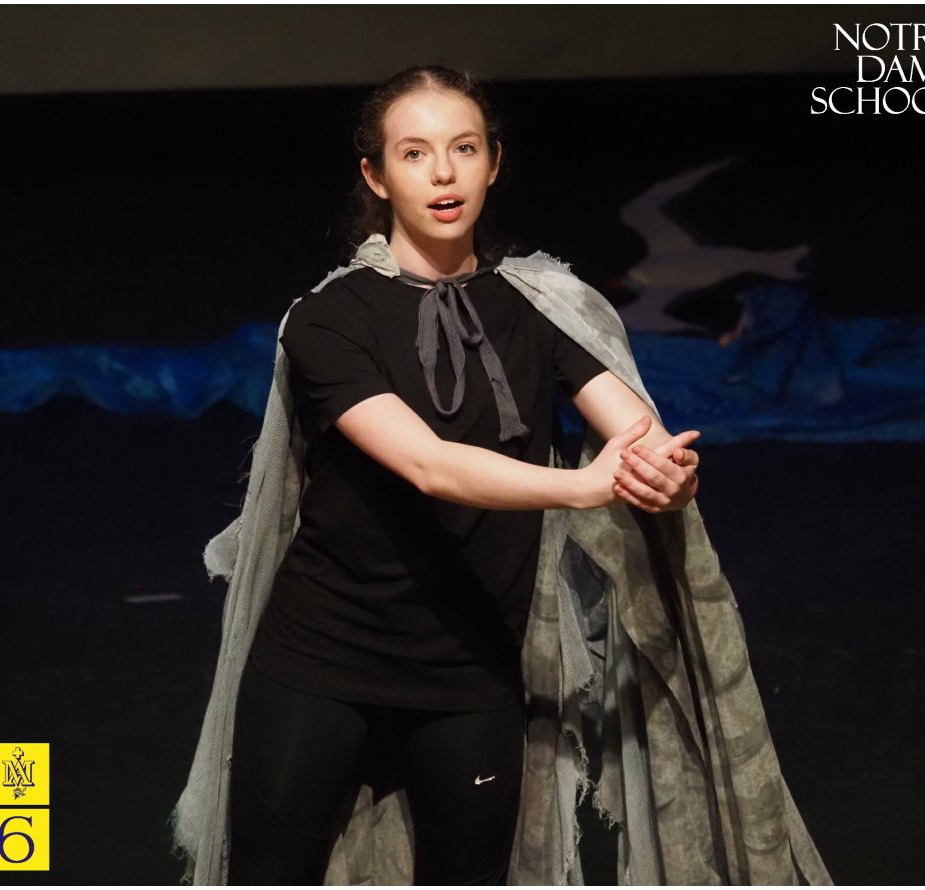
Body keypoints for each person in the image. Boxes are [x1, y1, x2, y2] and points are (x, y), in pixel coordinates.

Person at [170, 64, 831, 887]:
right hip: (324, 660)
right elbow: (428, 464)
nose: (443, 174)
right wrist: (585, 488)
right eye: (415, 153)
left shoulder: (544, 306)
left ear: (494, 162)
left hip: (472, 665)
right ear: (376, 176)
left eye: (464, 148)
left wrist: (667, 473)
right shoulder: (329, 318)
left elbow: (638, 434)